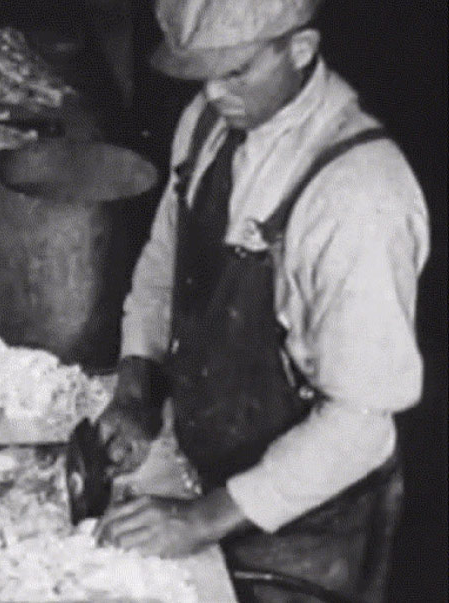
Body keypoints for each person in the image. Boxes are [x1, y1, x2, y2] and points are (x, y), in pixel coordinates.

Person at [93, 0, 430, 600]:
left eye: (237, 71)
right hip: (210, 476)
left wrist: (200, 520)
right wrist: (136, 385)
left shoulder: (357, 197)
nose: (215, 94)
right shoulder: (206, 125)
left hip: (310, 528)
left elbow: (361, 424)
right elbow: (163, 262)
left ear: (300, 50)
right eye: (201, 74)